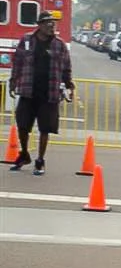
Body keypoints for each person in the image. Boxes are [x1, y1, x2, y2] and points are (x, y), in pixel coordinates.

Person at [8, 11, 74, 177]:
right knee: (22, 126)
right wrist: (13, 81)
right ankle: (24, 154)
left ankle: (40, 160)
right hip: (28, 90)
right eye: (48, 23)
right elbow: (17, 62)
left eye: (54, 23)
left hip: (49, 93)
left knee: (45, 128)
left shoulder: (60, 45)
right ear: (40, 25)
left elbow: (66, 67)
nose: (52, 26)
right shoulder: (27, 41)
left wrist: (69, 85)